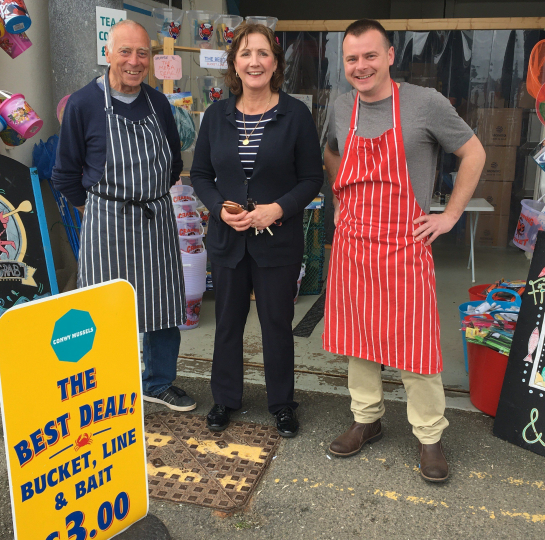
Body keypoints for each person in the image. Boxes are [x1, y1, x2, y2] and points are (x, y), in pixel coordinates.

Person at [322, 19, 486, 482]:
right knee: (359, 341)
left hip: (404, 242)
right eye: (352, 58)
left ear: (390, 56)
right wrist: (339, 200)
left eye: (370, 55)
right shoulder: (340, 107)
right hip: (354, 242)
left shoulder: (424, 104)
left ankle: (430, 437)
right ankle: (366, 419)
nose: (361, 66)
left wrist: (450, 215)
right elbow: (332, 153)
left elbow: (473, 153)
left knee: (415, 346)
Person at [52, 20, 195, 412]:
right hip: (106, 219)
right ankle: (106, 388)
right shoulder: (83, 104)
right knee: (104, 309)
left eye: (143, 53)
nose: (134, 61)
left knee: (163, 304)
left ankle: (158, 382)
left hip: (156, 215)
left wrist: (151, 194)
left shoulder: (158, 103)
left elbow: (173, 160)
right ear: (108, 54)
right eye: (125, 52)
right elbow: (64, 173)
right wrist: (95, 208)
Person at [190, 23, 323, 437]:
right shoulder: (216, 116)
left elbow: (311, 178)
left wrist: (277, 210)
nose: (255, 61)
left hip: (277, 241)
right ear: (234, 63)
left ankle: (282, 403)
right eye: (246, 53)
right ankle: (225, 399)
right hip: (228, 240)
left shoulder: (295, 115)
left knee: (276, 324)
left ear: (276, 63)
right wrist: (217, 208)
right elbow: (201, 174)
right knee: (227, 322)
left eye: (263, 53)